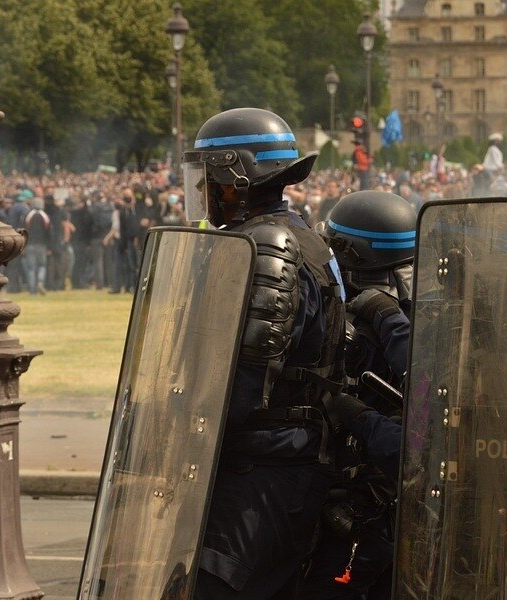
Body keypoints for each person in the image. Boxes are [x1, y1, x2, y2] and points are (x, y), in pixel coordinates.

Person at [181, 107, 345, 599]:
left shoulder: (265, 249)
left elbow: (242, 383)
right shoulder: (306, 238)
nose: (201, 191)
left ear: (234, 178)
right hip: (288, 462)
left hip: (263, 468)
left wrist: (181, 429)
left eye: (207, 178)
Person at [298, 190, 415, 599]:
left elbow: (423, 405)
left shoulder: (379, 326)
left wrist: (356, 415)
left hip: (366, 505)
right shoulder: (407, 317)